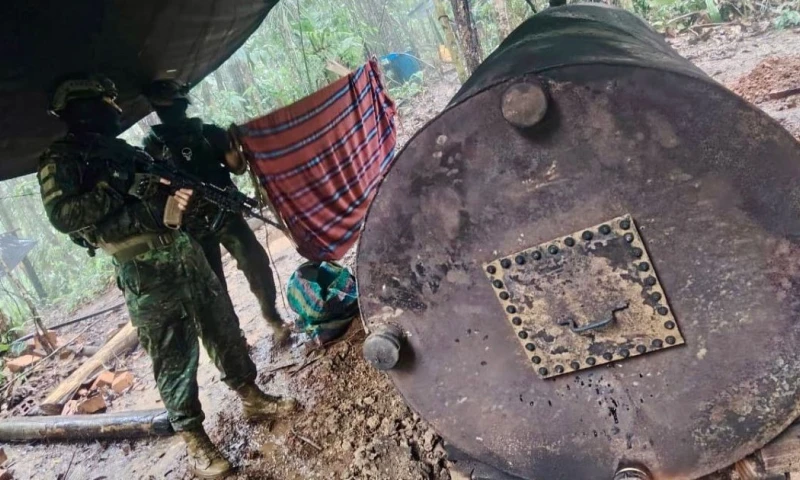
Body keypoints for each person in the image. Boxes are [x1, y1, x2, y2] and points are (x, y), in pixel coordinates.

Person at [38, 73, 296, 479]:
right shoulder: (61, 160)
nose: (116, 109)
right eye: (107, 102)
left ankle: (251, 394)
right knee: (173, 353)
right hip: (142, 269)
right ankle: (194, 438)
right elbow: (63, 217)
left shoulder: (123, 149)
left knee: (223, 326)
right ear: (84, 107)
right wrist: (121, 184)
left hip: (181, 249)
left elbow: (161, 189)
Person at [141, 80, 290, 345]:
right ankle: (237, 339)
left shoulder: (207, 133)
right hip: (190, 225)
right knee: (214, 287)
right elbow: (151, 190)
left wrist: (234, 155)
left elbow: (237, 168)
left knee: (256, 264)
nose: (172, 112)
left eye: (175, 106)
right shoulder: (152, 147)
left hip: (224, 212)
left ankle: (273, 318)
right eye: (166, 107)